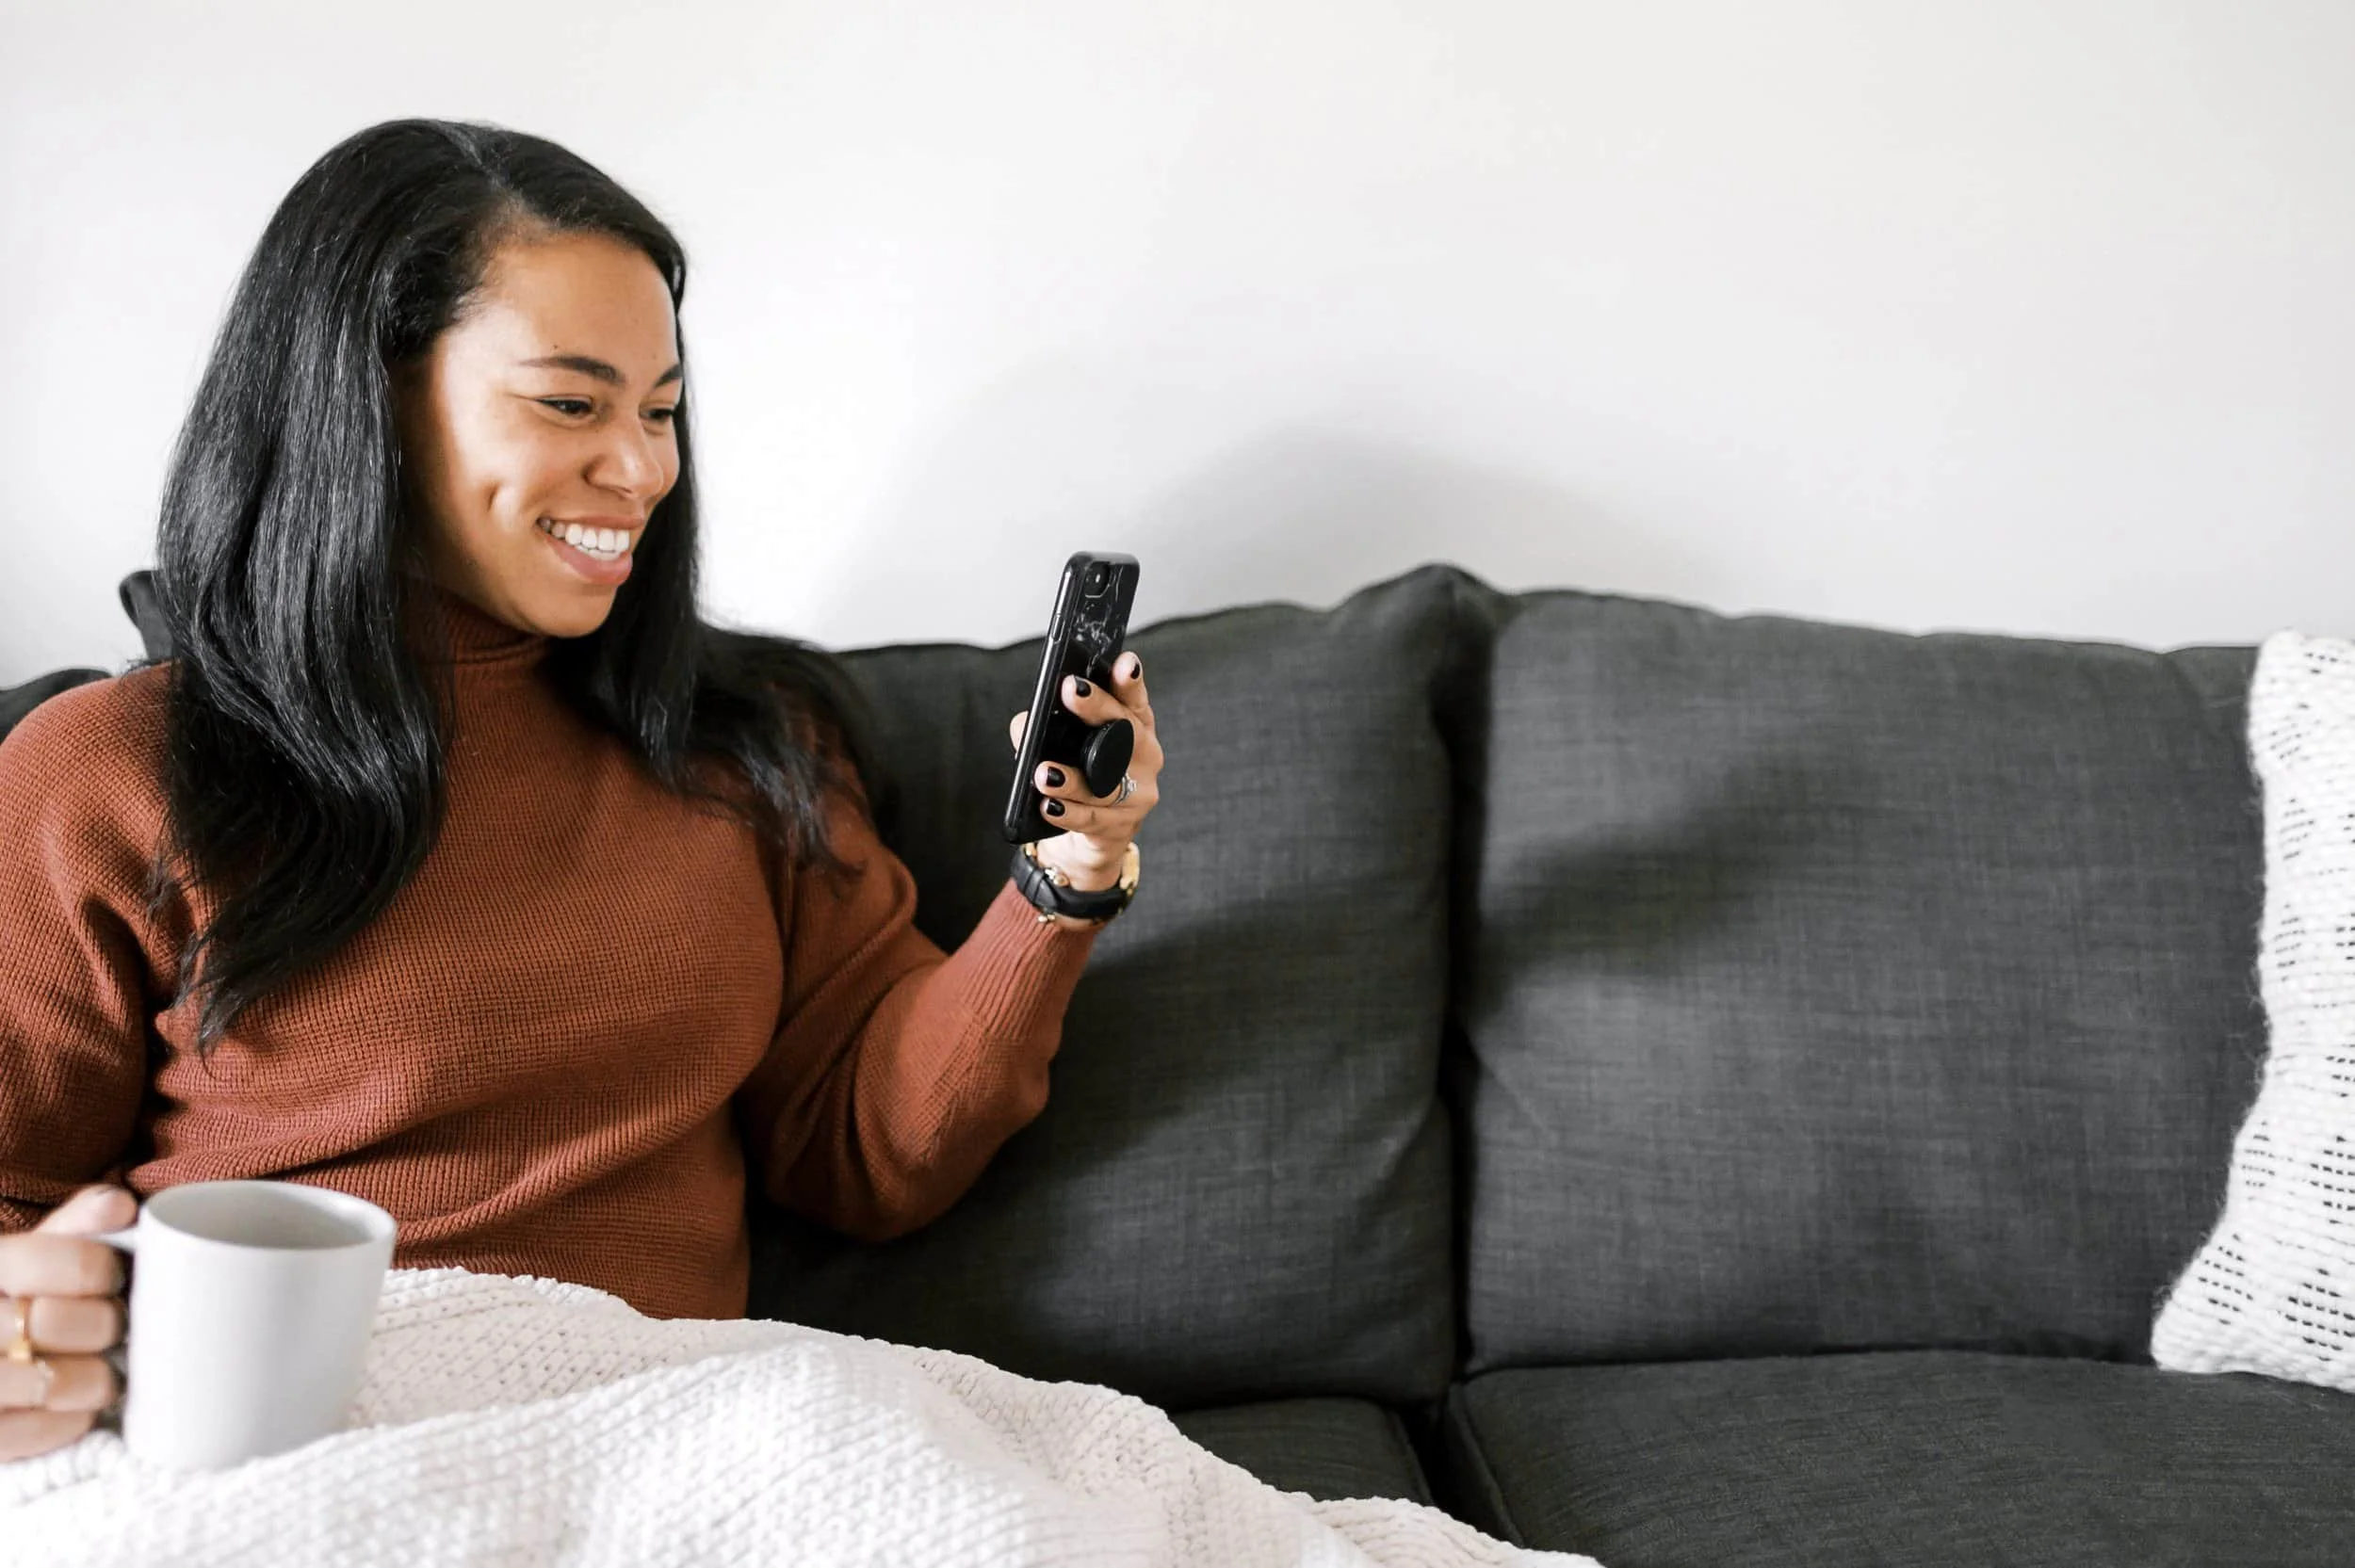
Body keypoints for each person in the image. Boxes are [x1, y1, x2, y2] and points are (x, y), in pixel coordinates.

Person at [0, 119, 1161, 1463]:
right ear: (364, 401)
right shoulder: (108, 774)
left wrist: (1064, 884)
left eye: (660, 410)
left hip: (675, 1441)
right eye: (572, 404)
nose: (646, 469)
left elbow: (868, 1153)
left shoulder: (744, 744)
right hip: (297, 1449)